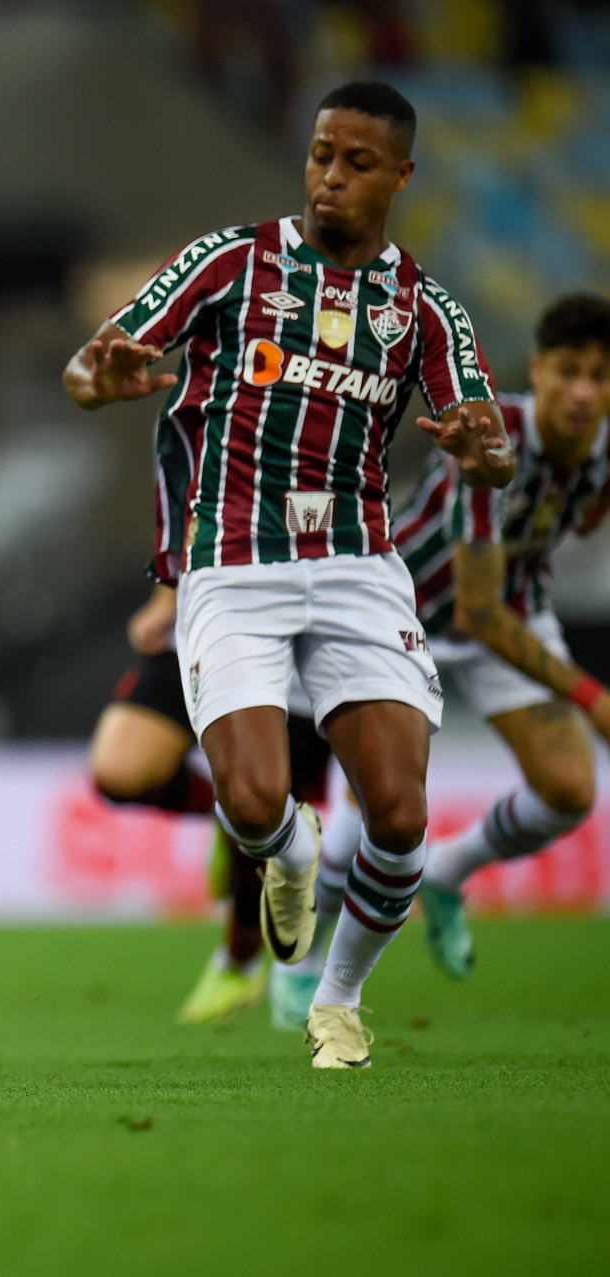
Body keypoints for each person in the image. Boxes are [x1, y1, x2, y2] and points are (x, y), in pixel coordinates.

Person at [63, 81, 513, 1069]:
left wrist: (484, 454)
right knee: (258, 799)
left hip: (356, 563)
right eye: (319, 155)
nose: (330, 178)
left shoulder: (425, 306)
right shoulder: (232, 262)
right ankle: (294, 856)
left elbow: (481, 433)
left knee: (399, 812)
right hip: (232, 560)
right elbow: (99, 363)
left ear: (399, 176)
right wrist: (100, 377)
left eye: (356, 163)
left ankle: (338, 999)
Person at [274, 293, 610, 1006]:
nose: (584, 392)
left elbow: (578, 522)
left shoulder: (602, 449)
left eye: (602, 376)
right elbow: (477, 610)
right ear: (540, 370)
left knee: (570, 791)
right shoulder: (496, 437)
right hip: (407, 614)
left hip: (512, 608)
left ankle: (451, 874)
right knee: (376, 816)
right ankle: (299, 966)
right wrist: (592, 696)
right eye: (570, 372)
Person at [92, 582, 332, 1024]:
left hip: (300, 649)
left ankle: (239, 962)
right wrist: (166, 599)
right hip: (205, 622)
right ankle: (228, 813)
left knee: (262, 813)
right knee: (120, 771)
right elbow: (186, 511)